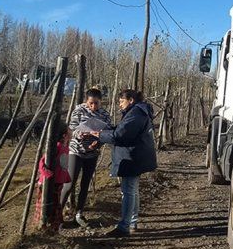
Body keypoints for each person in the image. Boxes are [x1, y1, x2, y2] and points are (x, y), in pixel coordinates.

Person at [87, 89, 157, 237]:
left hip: (132, 157)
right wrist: (104, 133)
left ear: (131, 100)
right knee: (133, 190)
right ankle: (132, 221)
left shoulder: (136, 113)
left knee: (128, 191)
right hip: (136, 155)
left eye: (121, 101)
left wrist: (101, 135)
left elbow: (120, 135)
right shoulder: (137, 111)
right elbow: (121, 130)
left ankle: (124, 226)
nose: (119, 105)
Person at [60, 88, 112, 228]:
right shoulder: (78, 111)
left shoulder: (105, 115)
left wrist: (99, 142)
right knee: (69, 183)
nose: (93, 106)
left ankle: (79, 213)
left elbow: (108, 132)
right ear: (86, 101)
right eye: (91, 103)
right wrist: (79, 134)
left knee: (85, 184)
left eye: (96, 103)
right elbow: (71, 129)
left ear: (101, 101)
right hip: (76, 150)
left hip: (92, 153)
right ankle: (57, 213)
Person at [34, 122, 71, 232]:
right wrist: (49, 175)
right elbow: (41, 163)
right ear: (64, 135)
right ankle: (46, 225)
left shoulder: (65, 147)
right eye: (69, 130)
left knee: (56, 203)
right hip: (49, 183)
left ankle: (55, 224)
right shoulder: (56, 147)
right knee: (47, 204)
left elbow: (62, 166)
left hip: (58, 182)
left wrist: (66, 177)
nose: (71, 131)